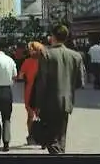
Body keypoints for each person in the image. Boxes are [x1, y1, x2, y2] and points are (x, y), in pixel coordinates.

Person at [34, 24, 84, 155]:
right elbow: (80, 82)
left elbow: (41, 83)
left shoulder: (46, 55)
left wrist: (37, 104)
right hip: (66, 102)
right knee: (61, 137)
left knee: (52, 140)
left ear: (53, 37)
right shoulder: (76, 56)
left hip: (49, 103)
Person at [18, 41, 43, 145]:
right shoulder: (45, 61)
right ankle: (42, 138)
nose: (30, 51)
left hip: (30, 90)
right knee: (42, 115)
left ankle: (31, 137)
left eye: (31, 49)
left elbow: (20, 76)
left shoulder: (27, 62)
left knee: (30, 115)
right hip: (42, 91)